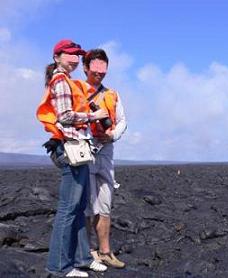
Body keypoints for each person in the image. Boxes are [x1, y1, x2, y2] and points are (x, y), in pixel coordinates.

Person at [36, 39, 109, 277]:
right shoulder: (60, 80)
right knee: (68, 209)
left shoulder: (66, 80)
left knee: (78, 208)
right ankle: (59, 267)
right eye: (70, 54)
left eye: (78, 55)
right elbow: (66, 116)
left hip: (77, 149)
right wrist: (93, 115)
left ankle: (82, 259)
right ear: (57, 56)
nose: (75, 59)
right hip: (70, 148)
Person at [79, 49, 127, 268]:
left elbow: (122, 120)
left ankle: (105, 252)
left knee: (105, 203)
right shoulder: (76, 91)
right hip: (84, 151)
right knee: (87, 204)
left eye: (103, 70)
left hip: (106, 152)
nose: (99, 74)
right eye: (95, 70)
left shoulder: (112, 94)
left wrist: (113, 135)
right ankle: (88, 253)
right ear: (86, 68)